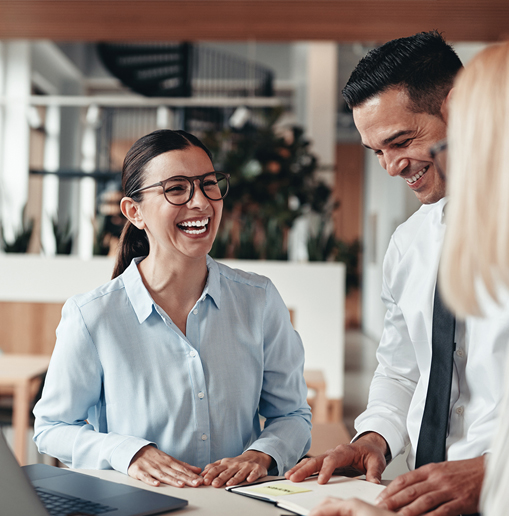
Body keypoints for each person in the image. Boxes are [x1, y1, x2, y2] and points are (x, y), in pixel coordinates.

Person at [286, 31, 509, 516]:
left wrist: (494, 472)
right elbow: (401, 369)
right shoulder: (408, 243)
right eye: (376, 151)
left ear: (457, 110)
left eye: (400, 141)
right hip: (424, 493)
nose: (392, 167)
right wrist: (373, 438)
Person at [33, 129, 312, 489]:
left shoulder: (258, 300)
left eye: (209, 184)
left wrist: (261, 455)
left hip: (238, 506)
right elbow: (52, 428)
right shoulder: (93, 316)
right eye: (177, 188)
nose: (200, 202)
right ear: (134, 212)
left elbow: (291, 414)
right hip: (137, 506)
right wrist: (128, 453)